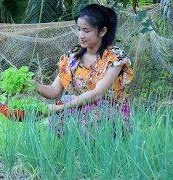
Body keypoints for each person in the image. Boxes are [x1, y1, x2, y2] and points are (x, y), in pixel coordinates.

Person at [34, 4, 134, 136]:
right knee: (59, 121)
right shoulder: (72, 57)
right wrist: (32, 84)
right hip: (76, 111)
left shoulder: (114, 57)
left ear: (102, 31)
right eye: (79, 29)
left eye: (86, 31)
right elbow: (54, 91)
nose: (81, 35)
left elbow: (98, 93)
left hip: (108, 115)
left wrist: (60, 107)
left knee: (89, 115)